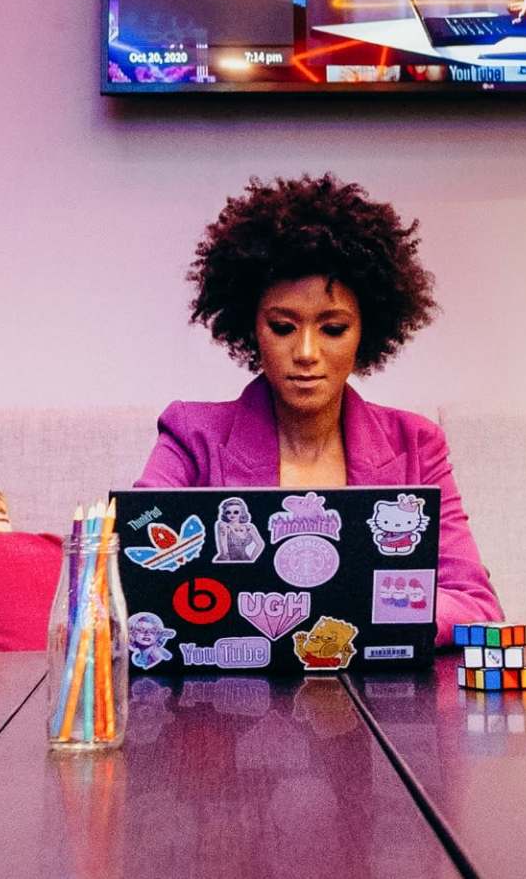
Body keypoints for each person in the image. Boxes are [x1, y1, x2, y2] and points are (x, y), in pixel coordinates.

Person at [134, 175, 500, 630]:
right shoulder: (191, 436)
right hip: (227, 698)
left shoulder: (416, 444)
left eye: (333, 329)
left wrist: (343, 617)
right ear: (252, 329)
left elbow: (474, 604)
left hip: (380, 698)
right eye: (284, 327)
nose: (306, 352)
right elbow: (133, 582)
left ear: (367, 331)